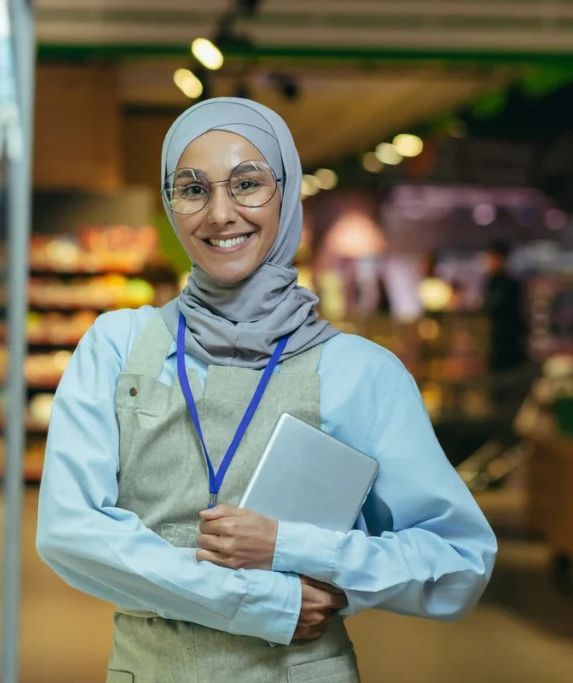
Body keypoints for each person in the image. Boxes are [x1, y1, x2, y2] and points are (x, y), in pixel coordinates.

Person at [36, 98, 497, 683]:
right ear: (169, 203)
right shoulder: (119, 347)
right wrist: (258, 604)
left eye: (248, 184)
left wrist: (291, 546)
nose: (221, 213)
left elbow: (458, 564)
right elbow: (68, 530)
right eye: (193, 188)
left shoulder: (359, 372)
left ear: (287, 191)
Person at [481, 241, 527, 372]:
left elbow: (491, 308)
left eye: (491, 258)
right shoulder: (492, 282)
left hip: (506, 343)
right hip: (496, 342)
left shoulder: (507, 284)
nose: (489, 262)